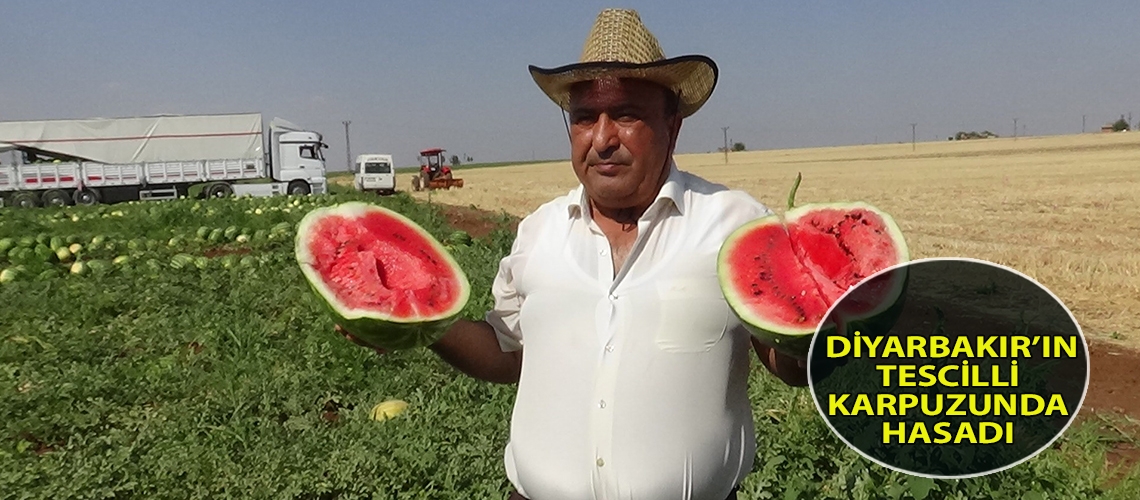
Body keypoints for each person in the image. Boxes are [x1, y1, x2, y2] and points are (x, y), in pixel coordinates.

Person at [337, 8, 808, 500]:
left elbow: (785, 359)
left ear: (672, 126)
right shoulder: (538, 232)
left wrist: (821, 331)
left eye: (626, 114)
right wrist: (415, 318)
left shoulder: (736, 225)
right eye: (584, 117)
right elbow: (508, 353)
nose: (602, 139)